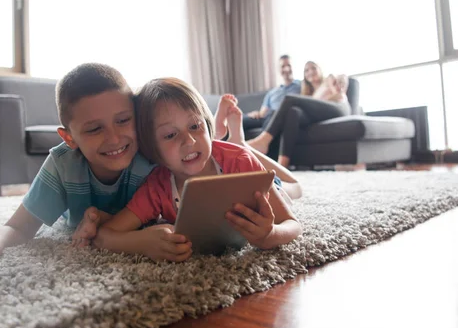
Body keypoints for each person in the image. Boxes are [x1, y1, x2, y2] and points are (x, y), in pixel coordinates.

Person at [0, 63, 156, 282]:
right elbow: (19, 226)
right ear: (69, 138)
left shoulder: (151, 153)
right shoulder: (63, 164)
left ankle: (105, 230)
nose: (114, 138)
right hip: (80, 221)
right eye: (95, 129)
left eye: (124, 120)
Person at [74, 78, 302, 262]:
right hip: (231, 156)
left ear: (206, 123)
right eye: (170, 135)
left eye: (195, 126)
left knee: (295, 188)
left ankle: (239, 143)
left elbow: (292, 225)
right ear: (152, 149)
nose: (190, 141)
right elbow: (106, 235)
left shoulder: (240, 163)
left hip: (253, 171)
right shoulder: (157, 186)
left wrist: (270, 235)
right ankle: (236, 141)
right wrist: (142, 243)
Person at [247, 61, 351, 167]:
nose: (310, 72)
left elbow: (341, 80)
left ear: (320, 69)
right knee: (293, 112)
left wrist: (341, 80)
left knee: (289, 99)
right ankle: (282, 165)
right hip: (321, 115)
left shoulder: (329, 80)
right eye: (306, 70)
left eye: (313, 68)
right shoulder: (310, 93)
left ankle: (263, 141)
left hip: (339, 107)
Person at [239, 55, 301, 132]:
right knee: (238, 120)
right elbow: (262, 113)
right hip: (267, 118)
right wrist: (256, 114)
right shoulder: (272, 92)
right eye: (283, 66)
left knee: (272, 114)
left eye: (288, 65)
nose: (286, 69)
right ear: (279, 69)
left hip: (281, 118)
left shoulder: (300, 85)